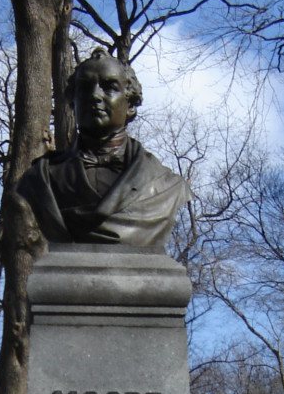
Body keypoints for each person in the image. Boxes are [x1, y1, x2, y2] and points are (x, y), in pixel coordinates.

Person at [18, 48, 191, 251]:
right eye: (85, 88)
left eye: (109, 87)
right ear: (73, 103)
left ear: (131, 105)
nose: (95, 96)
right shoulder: (39, 181)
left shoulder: (165, 185)